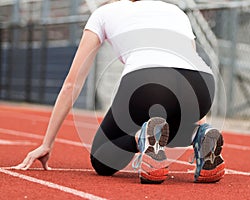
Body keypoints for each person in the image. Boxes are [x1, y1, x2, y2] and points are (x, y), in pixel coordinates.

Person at [12, 0, 225, 184]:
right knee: (173, 124)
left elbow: (72, 84)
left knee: (101, 157)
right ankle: (199, 136)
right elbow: (190, 63)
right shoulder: (176, 11)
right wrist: (200, 123)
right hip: (201, 86)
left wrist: (46, 143)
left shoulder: (104, 13)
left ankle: (142, 136)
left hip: (148, 84)